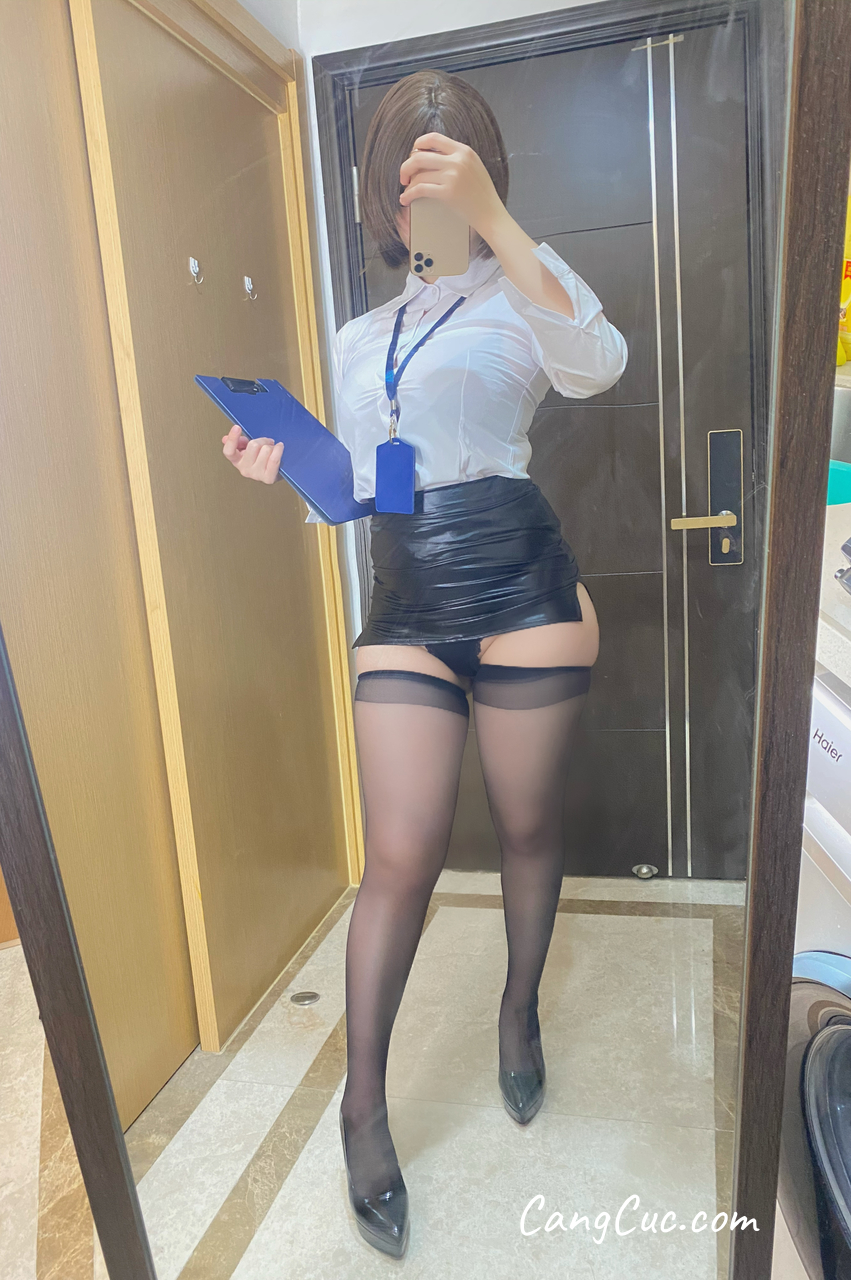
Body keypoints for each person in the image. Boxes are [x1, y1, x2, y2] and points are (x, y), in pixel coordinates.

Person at [222, 69, 627, 1259]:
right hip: (404, 602)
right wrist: (284, 471)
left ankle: (516, 1012)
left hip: (519, 587)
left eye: (448, 172)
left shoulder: (525, 289)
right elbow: (359, 488)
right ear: (381, 199)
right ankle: (363, 1105)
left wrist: (496, 218)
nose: (426, 200)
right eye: (408, 179)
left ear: (484, 175)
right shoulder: (361, 337)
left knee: (524, 824)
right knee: (398, 854)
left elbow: (597, 363)